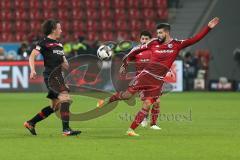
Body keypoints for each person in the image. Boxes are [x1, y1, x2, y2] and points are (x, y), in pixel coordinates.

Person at [100, 17, 220, 136]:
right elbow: (135, 50)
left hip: (157, 81)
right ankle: (107, 100)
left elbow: (195, 39)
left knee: (147, 104)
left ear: (167, 32)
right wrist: (125, 63)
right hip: (146, 75)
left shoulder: (177, 44)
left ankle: (131, 130)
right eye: (157, 32)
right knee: (127, 95)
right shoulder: (153, 43)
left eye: (160, 32)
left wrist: (208, 28)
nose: (158, 35)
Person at [24, 19, 81, 136]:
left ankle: (31, 123)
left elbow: (65, 63)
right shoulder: (43, 43)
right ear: (53, 29)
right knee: (65, 98)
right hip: (51, 76)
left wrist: (65, 63)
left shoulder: (59, 45)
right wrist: (33, 70)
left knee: (55, 106)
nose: (61, 30)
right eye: (59, 28)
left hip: (59, 77)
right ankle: (66, 130)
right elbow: (32, 56)